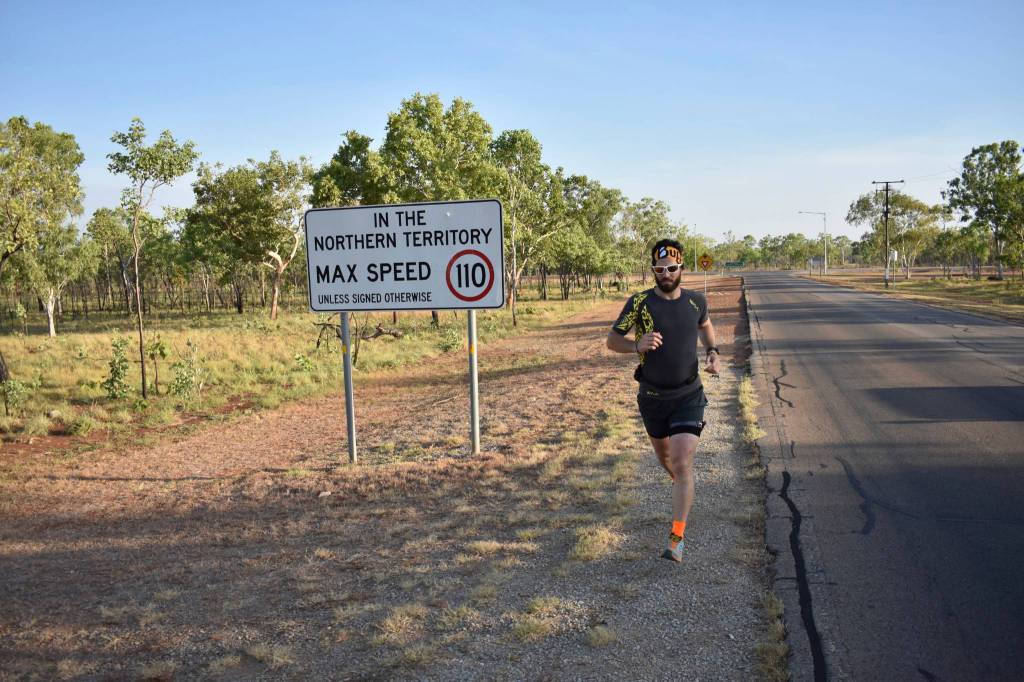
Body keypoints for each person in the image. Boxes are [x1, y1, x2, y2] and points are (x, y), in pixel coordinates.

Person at [606, 239, 721, 562]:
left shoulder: (696, 302)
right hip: (652, 397)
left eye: (671, 268)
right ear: (653, 271)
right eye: (659, 270)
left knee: (683, 462)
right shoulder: (639, 302)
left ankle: (677, 537)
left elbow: (706, 327)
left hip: (689, 394)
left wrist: (713, 353)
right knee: (668, 462)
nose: (665, 274)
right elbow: (612, 340)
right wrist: (636, 345)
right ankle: (681, 487)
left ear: (682, 268)